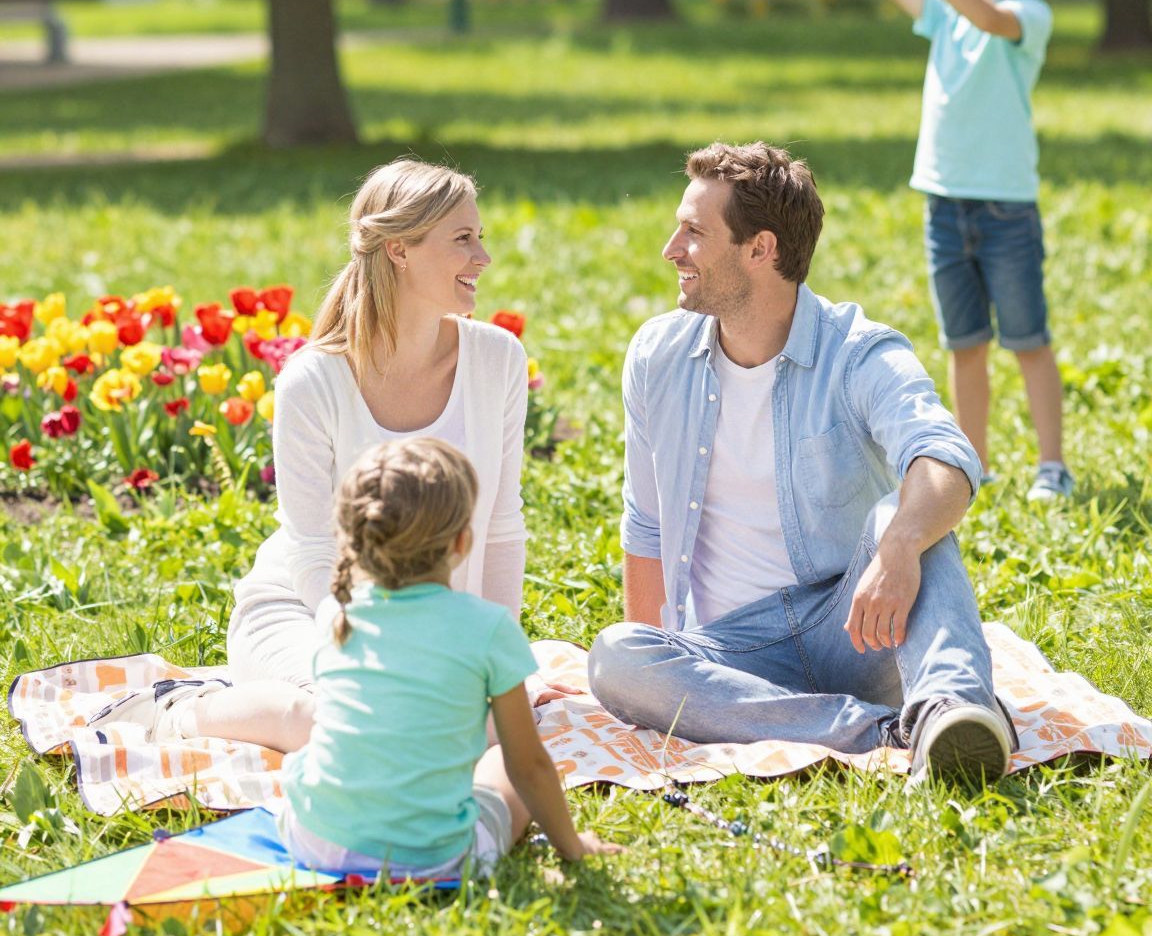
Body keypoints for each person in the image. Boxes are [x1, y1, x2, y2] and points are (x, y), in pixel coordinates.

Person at [588, 143, 1016, 784]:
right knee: (616, 655)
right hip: (733, 653)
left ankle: (953, 706)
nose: (671, 249)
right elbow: (644, 525)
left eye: (694, 233)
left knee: (908, 511)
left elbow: (946, 456)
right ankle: (890, 731)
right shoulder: (657, 356)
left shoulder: (859, 353)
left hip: (863, 626)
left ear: (760, 249)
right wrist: (662, 680)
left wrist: (898, 547)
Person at [94, 158, 530, 752]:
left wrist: (493, 654)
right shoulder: (313, 381)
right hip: (309, 610)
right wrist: (376, 654)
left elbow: (501, 528)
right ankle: (185, 710)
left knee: (480, 730)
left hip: (439, 618)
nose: (483, 257)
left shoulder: (497, 359)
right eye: (463, 239)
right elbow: (313, 553)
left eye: (480, 237)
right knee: (347, 724)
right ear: (399, 249)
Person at [829, 0, 1070, 500]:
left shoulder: (1029, 14)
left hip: (1005, 210)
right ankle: (976, 462)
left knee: (1027, 338)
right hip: (944, 204)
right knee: (965, 343)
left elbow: (991, 20)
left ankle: (1054, 465)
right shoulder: (944, 15)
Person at [275, 436, 621, 879]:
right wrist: (573, 846)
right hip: (431, 858)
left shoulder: (337, 618)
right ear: (461, 542)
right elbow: (528, 764)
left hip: (314, 842)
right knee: (497, 761)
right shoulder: (487, 627)